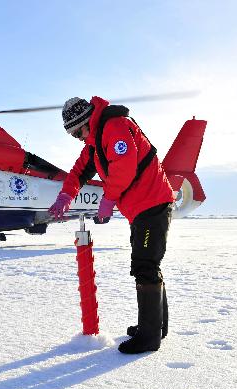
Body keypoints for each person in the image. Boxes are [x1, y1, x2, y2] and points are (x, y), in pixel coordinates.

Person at [49, 96, 175, 354]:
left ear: (86, 122)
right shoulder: (96, 140)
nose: (78, 139)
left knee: (145, 266)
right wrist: (66, 195)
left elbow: (125, 168)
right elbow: (79, 171)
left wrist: (108, 200)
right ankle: (154, 326)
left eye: (77, 134)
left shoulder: (114, 127)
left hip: (152, 204)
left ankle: (149, 338)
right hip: (143, 208)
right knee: (148, 265)